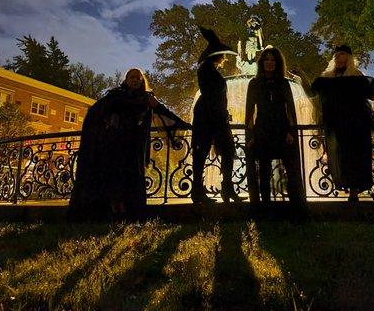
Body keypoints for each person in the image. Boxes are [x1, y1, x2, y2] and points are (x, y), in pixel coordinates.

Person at [68, 68, 191, 221]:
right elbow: (96, 112)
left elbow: (162, 111)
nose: (135, 80)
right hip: (114, 142)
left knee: (132, 176)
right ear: (126, 79)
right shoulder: (115, 95)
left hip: (135, 144)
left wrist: (182, 123)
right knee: (115, 176)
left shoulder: (147, 98)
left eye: (138, 78)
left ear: (142, 81)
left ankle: (129, 213)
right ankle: (114, 212)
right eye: (131, 77)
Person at [293, 45, 374, 202]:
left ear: (349, 58)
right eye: (336, 55)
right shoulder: (327, 78)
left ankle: (354, 192)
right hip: (335, 125)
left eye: (342, 54)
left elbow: (370, 95)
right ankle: (345, 186)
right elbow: (312, 92)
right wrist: (302, 76)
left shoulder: (357, 77)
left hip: (356, 124)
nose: (338, 57)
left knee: (356, 157)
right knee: (339, 157)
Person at [245, 47, 306, 208]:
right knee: (263, 172)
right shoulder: (254, 83)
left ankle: (296, 208)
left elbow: (291, 109)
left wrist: (291, 131)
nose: (270, 63)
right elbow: (249, 111)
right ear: (262, 63)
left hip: (282, 131)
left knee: (291, 170)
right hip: (262, 131)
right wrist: (250, 135)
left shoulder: (284, 83)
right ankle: (264, 209)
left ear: (278, 63)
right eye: (267, 60)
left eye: (273, 60)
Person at [192, 27, 243, 204]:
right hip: (209, 116)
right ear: (216, 54)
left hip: (215, 115)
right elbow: (212, 94)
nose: (225, 57)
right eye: (223, 54)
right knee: (206, 152)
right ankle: (200, 191)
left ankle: (225, 189)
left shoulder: (209, 68)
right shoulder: (206, 68)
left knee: (226, 151)